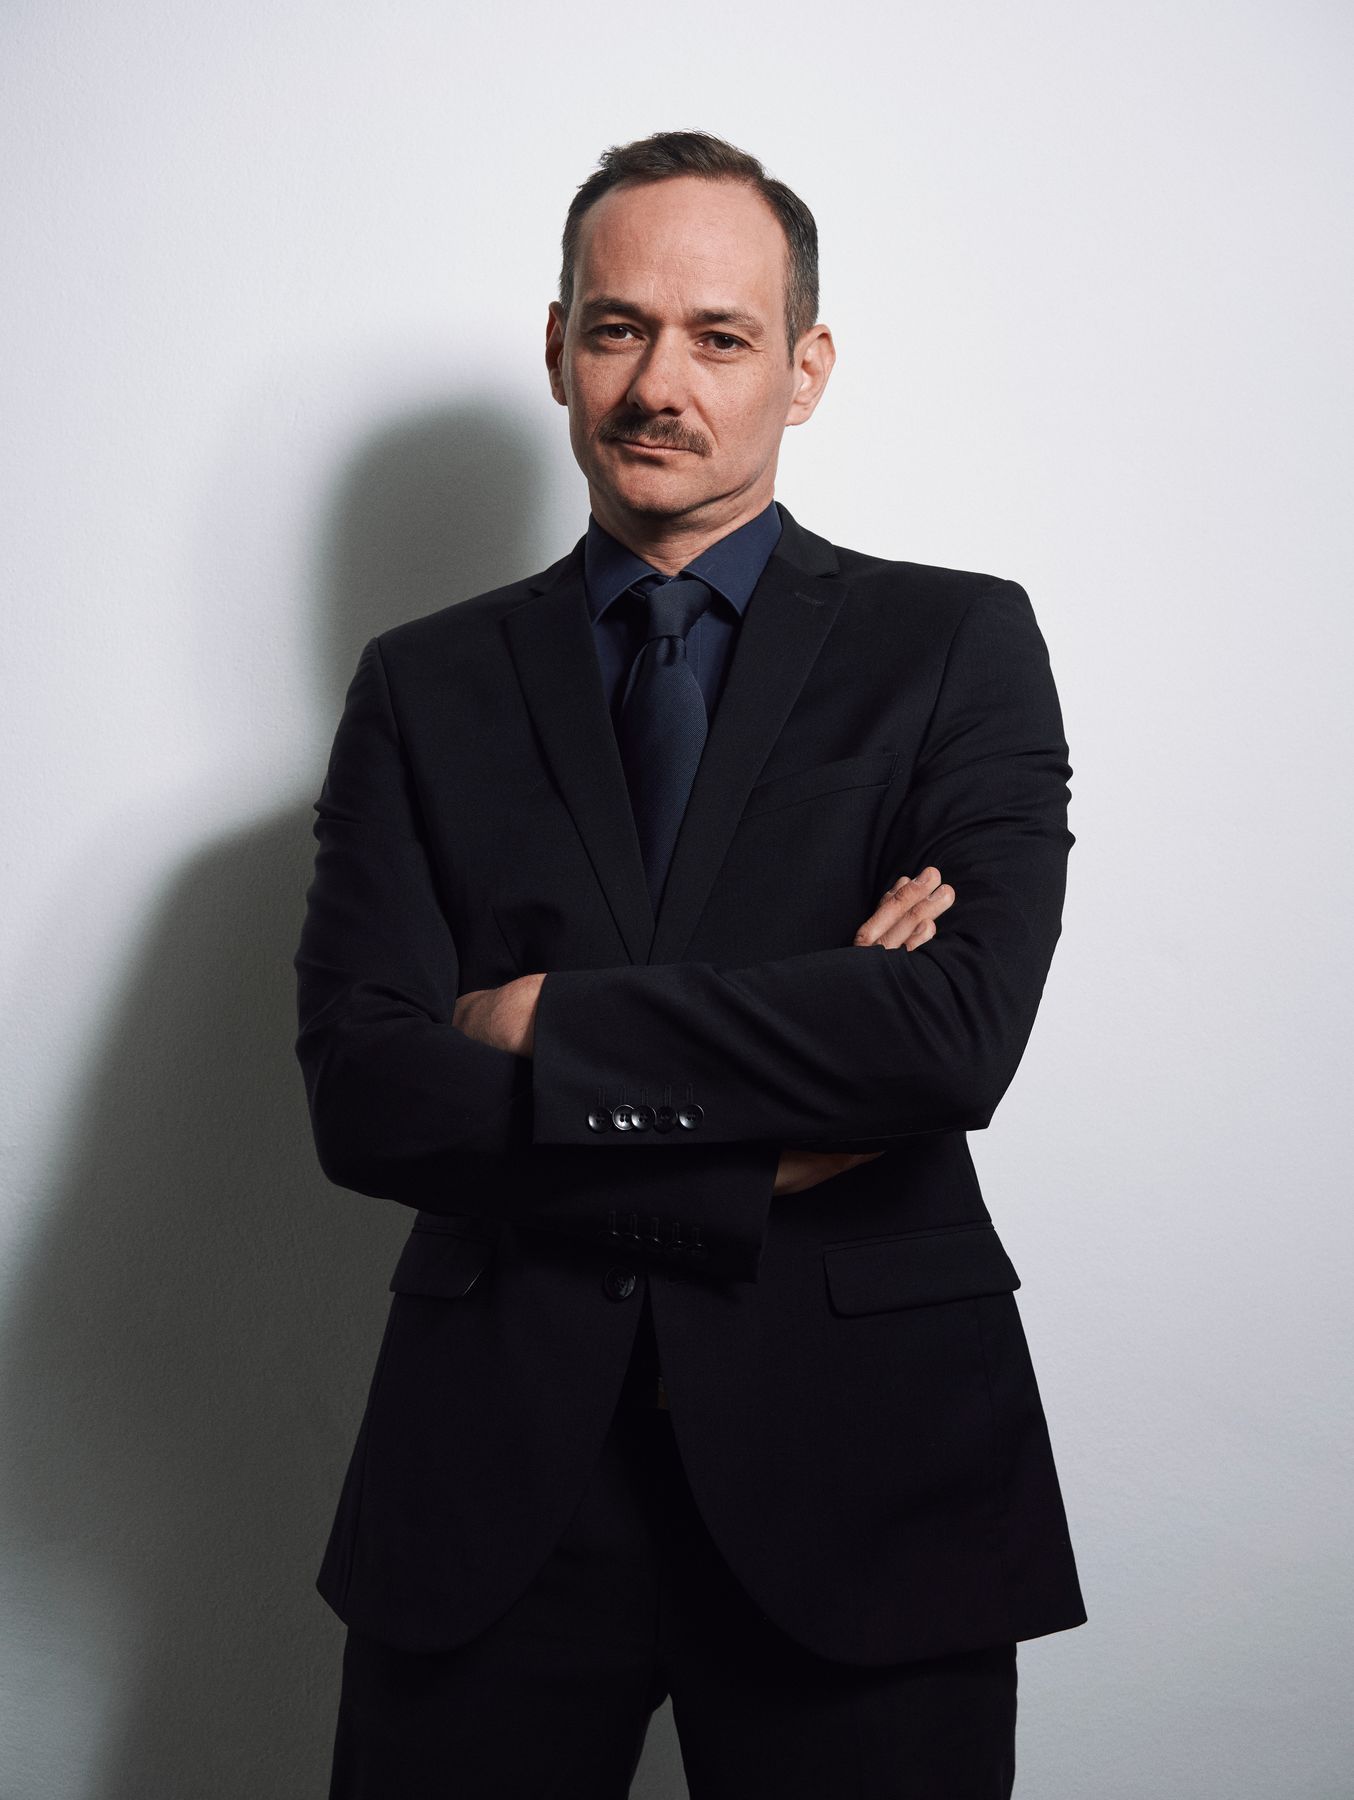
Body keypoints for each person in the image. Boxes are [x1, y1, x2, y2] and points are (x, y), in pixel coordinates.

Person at [295, 128, 1087, 1800]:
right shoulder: (422, 684)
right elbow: (366, 1094)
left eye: (719, 336)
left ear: (804, 368)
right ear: (557, 348)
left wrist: (539, 1023)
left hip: (867, 1470)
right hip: (491, 1483)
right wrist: (759, 1140)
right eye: (617, 328)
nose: (659, 383)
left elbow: (948, 1034)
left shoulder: (953, 645)